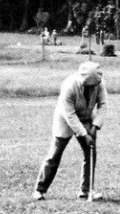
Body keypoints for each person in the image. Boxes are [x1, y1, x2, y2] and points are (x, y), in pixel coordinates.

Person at [33, 61, 106, 201]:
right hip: (65, 119)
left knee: (90, 153)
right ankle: (39, 189)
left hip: (86, 117)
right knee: (55, 154)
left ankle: (86, 190)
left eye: (94, 86)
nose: (92, 89)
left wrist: (95, 126)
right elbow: (70, 115)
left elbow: (103, 105)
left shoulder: (100, 83)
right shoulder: (69, 86)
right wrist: (84, 134)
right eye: (88, 86)